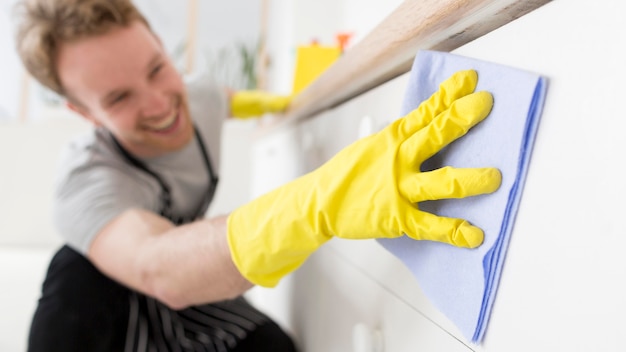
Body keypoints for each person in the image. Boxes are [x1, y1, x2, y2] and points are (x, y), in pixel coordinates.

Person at [15, 0, 502, 351]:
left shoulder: (196, 96)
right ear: (85, 113)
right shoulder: (84, 183)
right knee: (78, 285)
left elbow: (226, 99)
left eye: (157, 68)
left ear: (163, 49)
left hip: (185, 289)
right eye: (119, 98)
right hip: (105, 312)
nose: (160, 104)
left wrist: (285, 105)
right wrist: (318, 203)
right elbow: (159, 266)